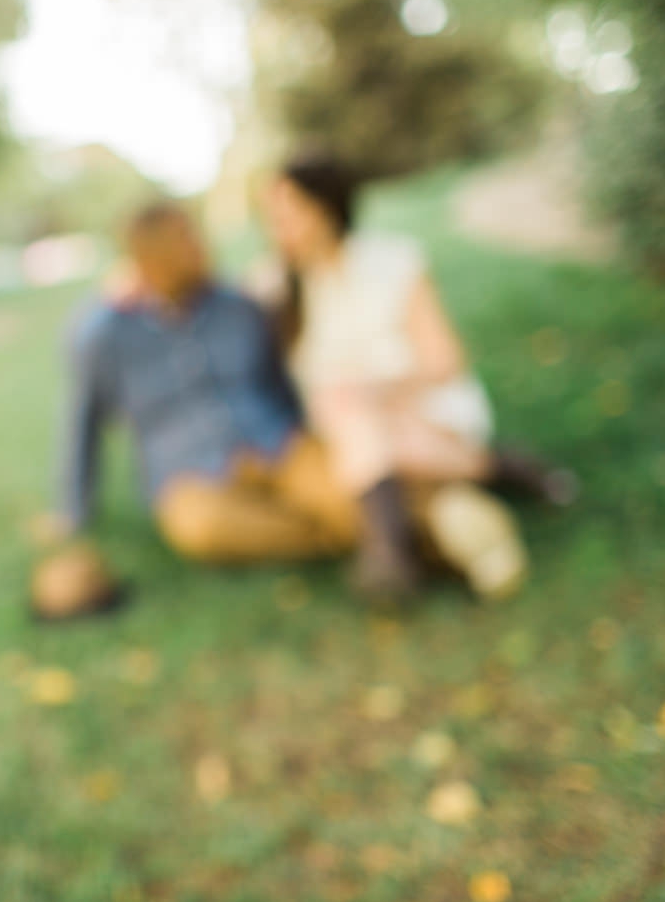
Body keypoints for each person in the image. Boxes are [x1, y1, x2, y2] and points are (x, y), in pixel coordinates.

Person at [259, 153, 574, 601]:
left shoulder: (390, 262)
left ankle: (391, 555)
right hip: (359, 432)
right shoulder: (279, 284)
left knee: (353, 412)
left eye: (289, 215)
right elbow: (213, 297)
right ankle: (496, 470)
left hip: (424, 408)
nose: (278, 229)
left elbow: (446, 361)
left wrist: (378, 390)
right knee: (350, 414)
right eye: (271, 218)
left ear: (326, 209)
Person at [55, 203, 362, 575]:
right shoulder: (105, 336)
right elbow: (83, 421)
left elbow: (281, 384)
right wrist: (73, 511)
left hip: (275, 444)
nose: (201, 248)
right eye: (184, 241)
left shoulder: (239, 307)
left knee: (346, 499)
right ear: (148, 256)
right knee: (202, 529)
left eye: (196, 235)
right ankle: (339, 539)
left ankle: (374, 532)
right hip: (188, 475)